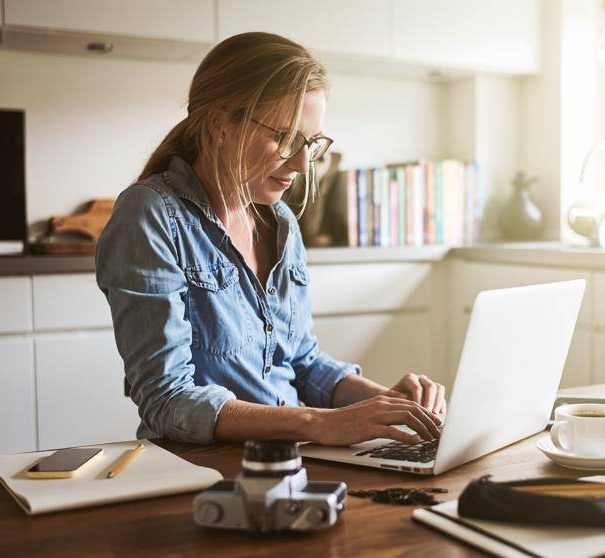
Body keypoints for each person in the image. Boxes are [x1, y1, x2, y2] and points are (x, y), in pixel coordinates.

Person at [96, 32, 446, 448]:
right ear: (220, 124)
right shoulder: (151, 215)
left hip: (294, 459)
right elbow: (167, 398)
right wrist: (320, 424)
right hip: (201, 468)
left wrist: (390, 404)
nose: (302, 163)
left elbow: (302, 362)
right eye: (284, 138)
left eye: (311, 144)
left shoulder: (280, 223)